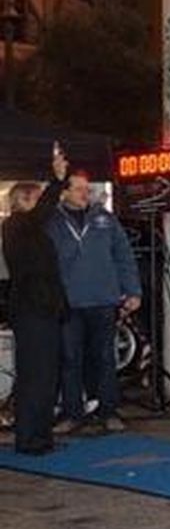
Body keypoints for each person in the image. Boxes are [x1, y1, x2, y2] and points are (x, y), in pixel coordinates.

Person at [49, 167, 142, 435]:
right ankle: (71, 413)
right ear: (64, 192)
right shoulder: (52, 221)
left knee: (105, 358)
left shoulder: (104, 218)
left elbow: (123, 255)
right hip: (68, 302)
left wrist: (132, 291)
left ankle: (109, 411)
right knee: (69, 359)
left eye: (87, 189)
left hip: (103, 299)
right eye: (78, 189)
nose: (84, 194)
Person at [4, 146, 70, 454]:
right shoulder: (17, 226)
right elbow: (44, 211)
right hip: (32, 310)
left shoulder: (32, 230)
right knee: (35, 375)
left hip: (44, 309)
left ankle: (41, 435)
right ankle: (29, 438)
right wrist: (56, 182)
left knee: (47, 375)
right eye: (36, 197)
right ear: (25, 201)